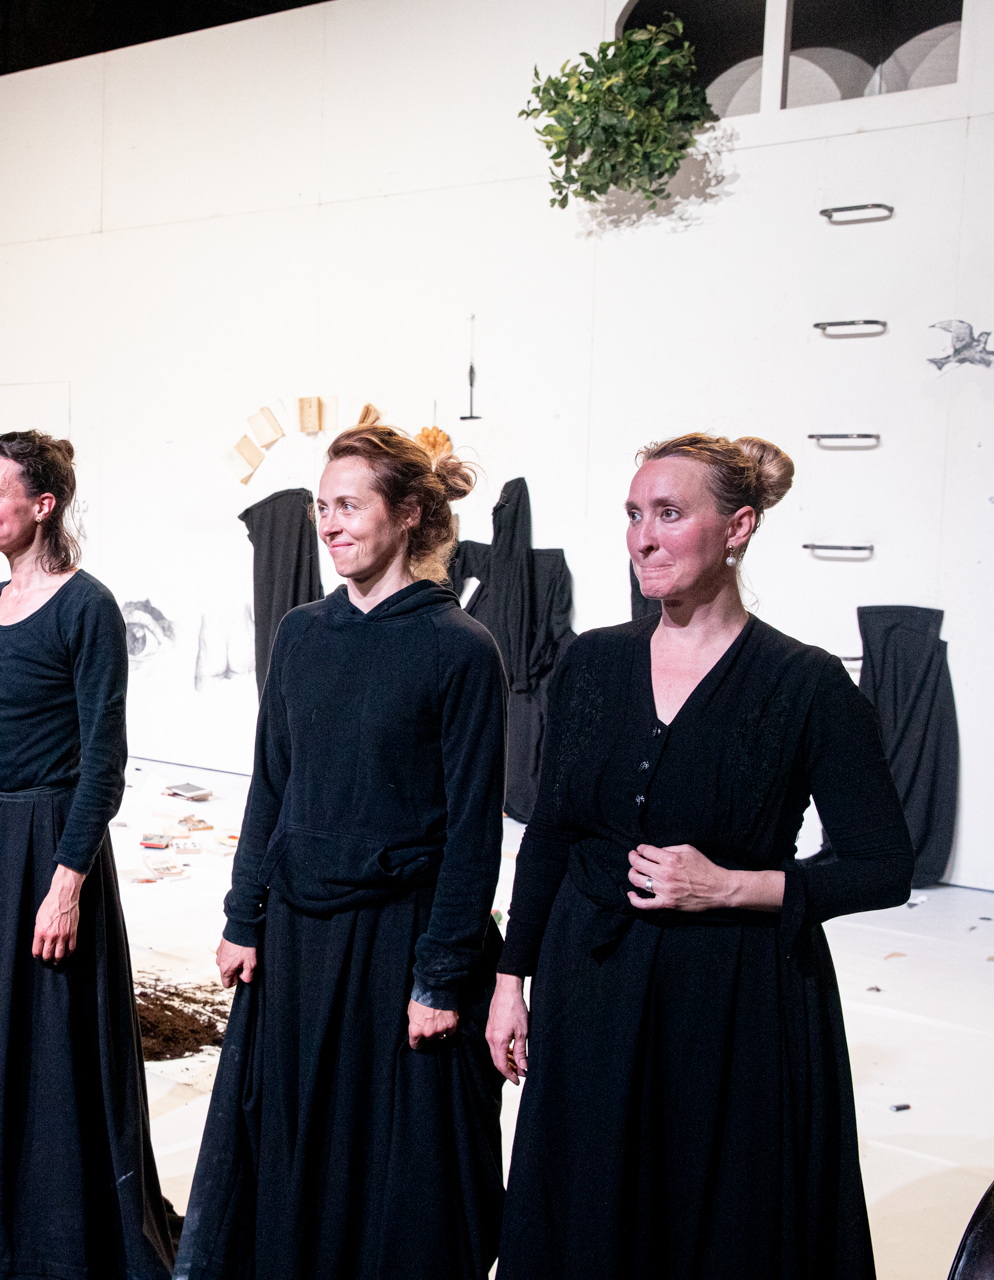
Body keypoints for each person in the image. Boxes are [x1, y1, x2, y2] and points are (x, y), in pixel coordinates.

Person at [487, 434, 914, 1279]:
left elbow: (881, 861)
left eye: (670, 514)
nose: (643, 537)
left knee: (708, 1215)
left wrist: (733, 886)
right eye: (634, 515)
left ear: (738, 528)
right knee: (590, 1207)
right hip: (591, 987)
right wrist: (511, 979)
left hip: (728, 999)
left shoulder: (807, 683)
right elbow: (554, 829)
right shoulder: (590, 663)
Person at [177, 425, 507, 1280]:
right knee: (297, 1135)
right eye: (322, 507)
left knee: (393, 1159)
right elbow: (271, 786)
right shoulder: (301, 634)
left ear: (408, 515)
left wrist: (440, 977)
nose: (328, 524)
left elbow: (474, 832)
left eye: (348, 505)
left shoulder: (461, 650)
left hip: (397, 941)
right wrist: (241, 915)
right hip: (298, 935)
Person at [0, 431, 177, 1279]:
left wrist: (68, 883)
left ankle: (60, 1240)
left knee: (54, 1046)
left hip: (47, 847)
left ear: (44, 504)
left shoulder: (85, 606)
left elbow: (104, 761)